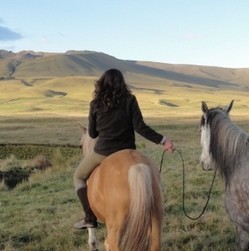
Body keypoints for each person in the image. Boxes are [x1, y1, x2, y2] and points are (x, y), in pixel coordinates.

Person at [73, 68, 175, 229]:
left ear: (101, 84)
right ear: (122, 84)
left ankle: (89, 217)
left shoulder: (95, 104)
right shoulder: (130, 100)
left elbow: (92, 134)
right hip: (128, 151)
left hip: (103, 153)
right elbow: (140, 127)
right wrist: (163, 140)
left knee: (78, 176)